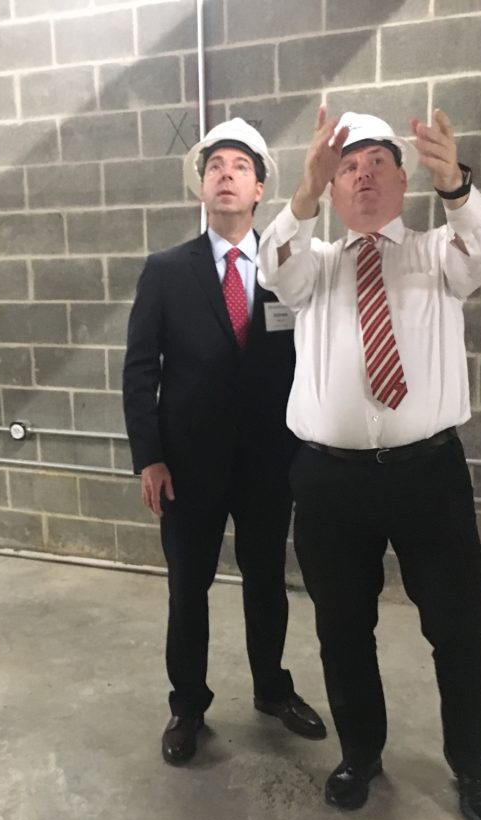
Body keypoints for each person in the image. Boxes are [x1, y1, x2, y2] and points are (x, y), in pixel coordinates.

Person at [257, 107, 481, 820]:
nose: (362, 175)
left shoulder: (438, 255)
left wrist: (456, 183)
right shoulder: (315, 268)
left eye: (378, 163)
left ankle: (472, 764)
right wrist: (299, 195)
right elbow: (273, 263)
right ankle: (360, 752)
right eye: (347, 166)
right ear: (333, 190)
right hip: (330, 482)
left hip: (428, 476)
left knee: (460, 627)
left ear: (404, 180)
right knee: (341, 625)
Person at [122, 118, 326, 766]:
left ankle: (272, 689)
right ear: (201, 188)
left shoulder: (286, 268)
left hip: (271, 463)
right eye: (216, 167)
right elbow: (140, 369)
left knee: (267, 580)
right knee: (190, 587)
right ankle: (188, 705)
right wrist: (149, 456)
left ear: (261, 187)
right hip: (187, 467)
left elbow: (314, 359)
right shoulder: (165, 272)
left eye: (240, 166)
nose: (226, 175)